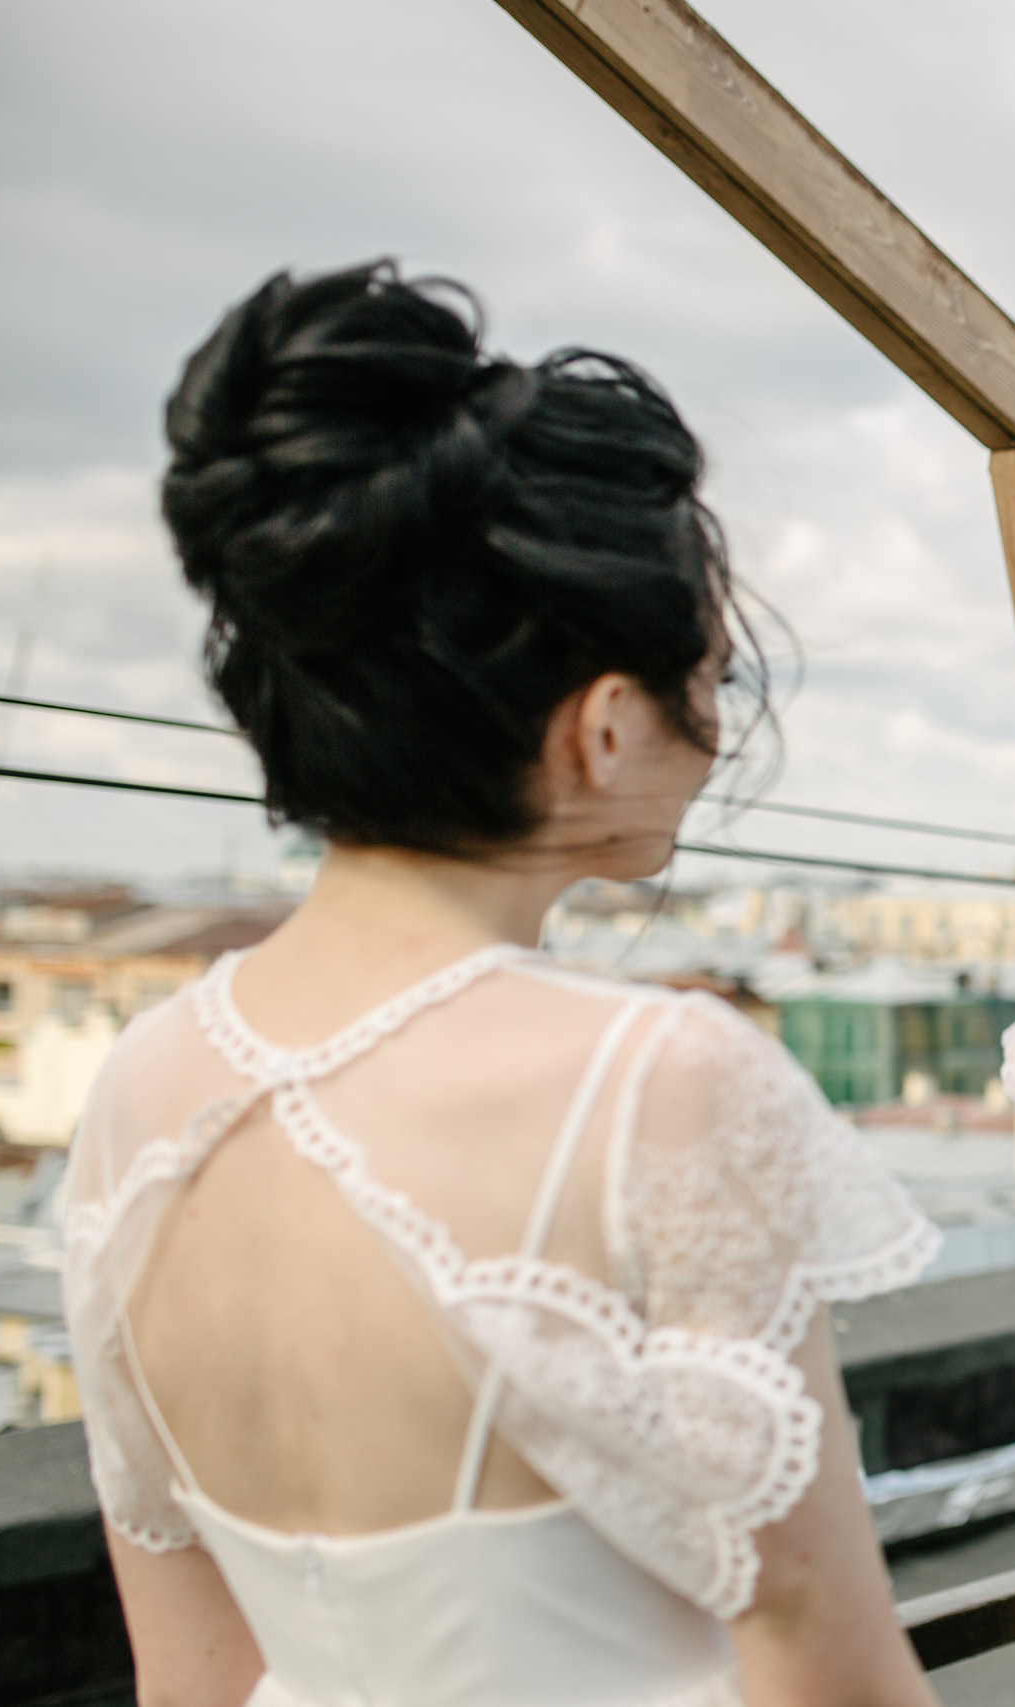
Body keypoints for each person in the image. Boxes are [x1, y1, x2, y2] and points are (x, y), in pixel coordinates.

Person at [61, 262, 943, 1707]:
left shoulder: (140, 1088)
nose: (717, 735)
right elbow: (820, 1663)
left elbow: (189, 1678)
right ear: (602, 727)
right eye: (707, 683)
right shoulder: (659, 1082)